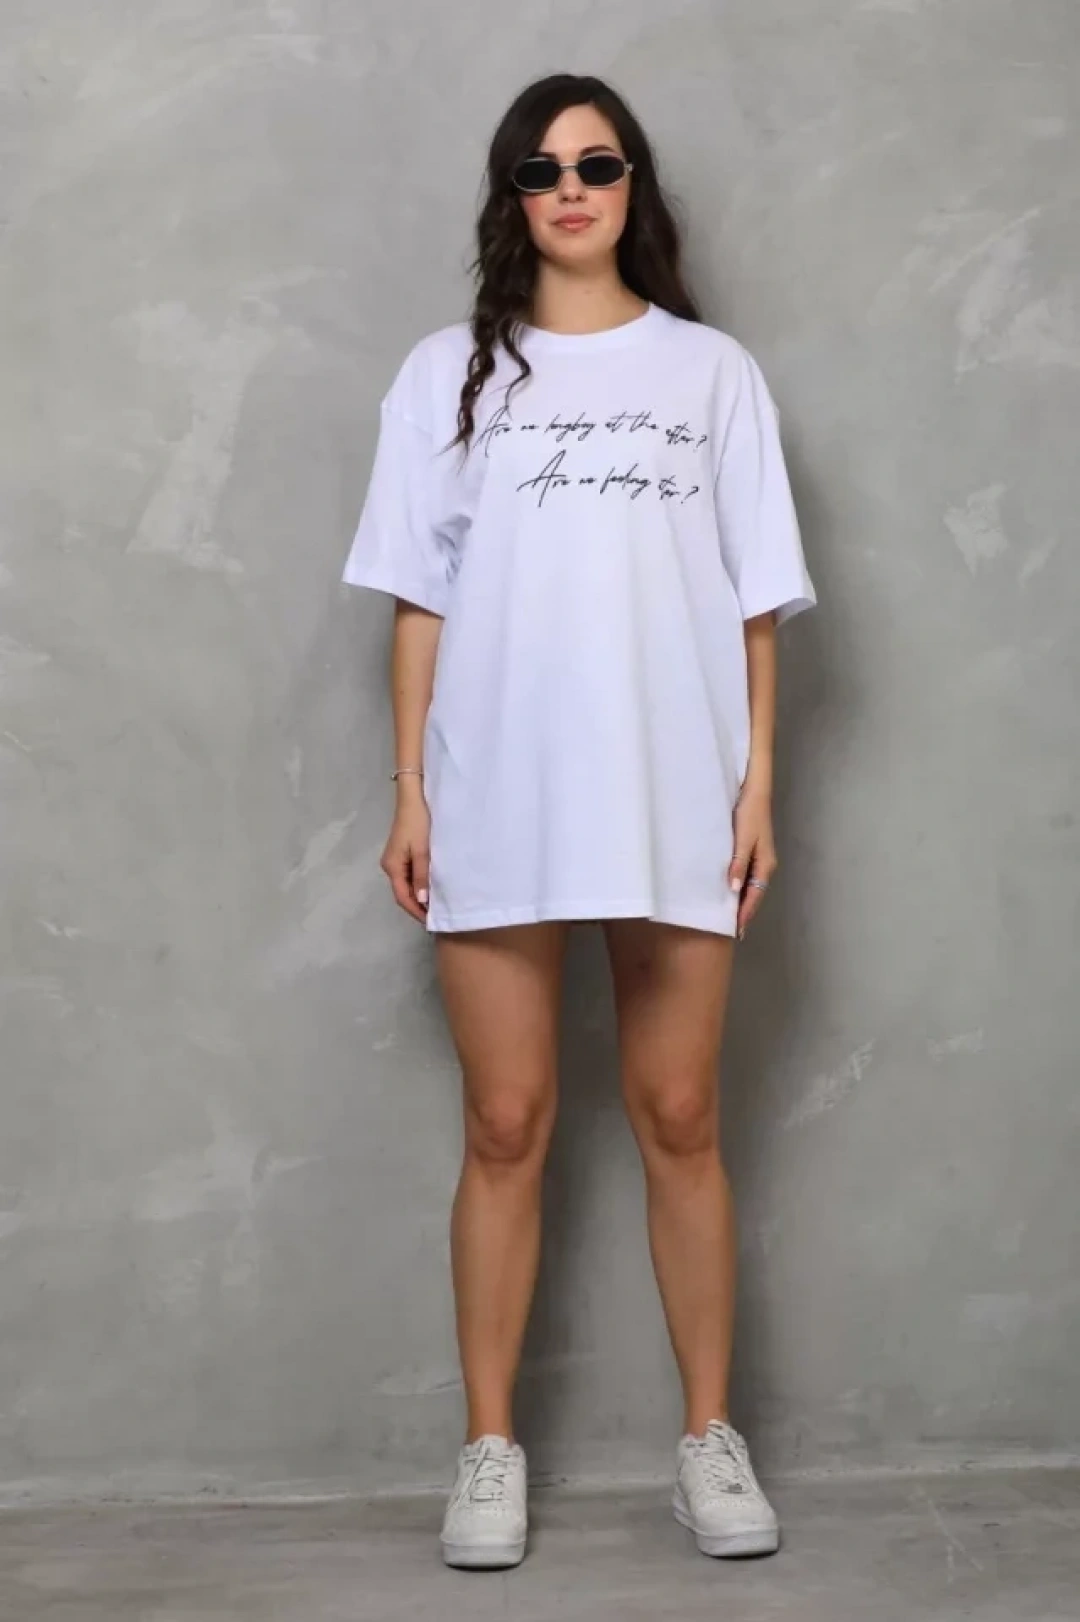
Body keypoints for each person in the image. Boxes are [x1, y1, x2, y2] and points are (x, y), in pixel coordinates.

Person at [341, 72, 817, 1571]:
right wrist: (412, 788)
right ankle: (489, 1450)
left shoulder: (711, 374)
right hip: (497, 781)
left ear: (633, 189)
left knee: (680, 1114)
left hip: (677, 784)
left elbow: (754, 602)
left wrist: (758, 784)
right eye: (541, 169)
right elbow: (419, 600)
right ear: (512, 196)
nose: (571, 189)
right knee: (506, 1122)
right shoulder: (446, 376)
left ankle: (708, 1440)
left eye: (598, 165)